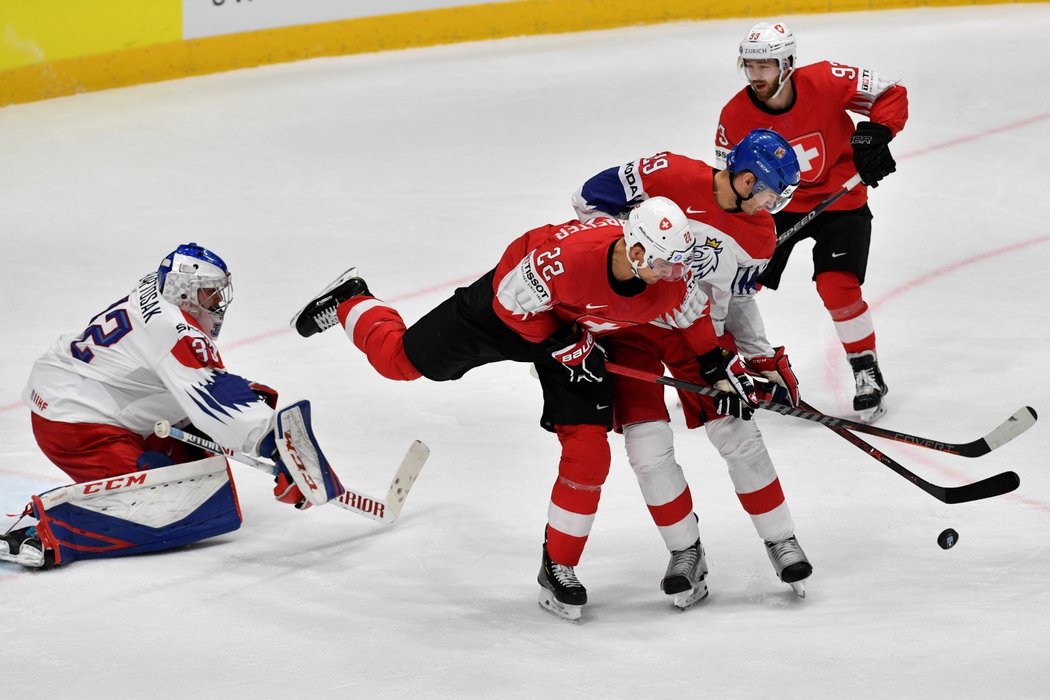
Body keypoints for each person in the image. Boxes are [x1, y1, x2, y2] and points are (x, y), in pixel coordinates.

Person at [290, 197, 757, 621]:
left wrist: (715, 371)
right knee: (401, 363)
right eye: (664, 264)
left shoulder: (665, 272)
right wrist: (558, 342)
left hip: (580, 333)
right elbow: (512, 305)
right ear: (636, 254)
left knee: (590, 452)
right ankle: (352, 299)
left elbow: (691, 315)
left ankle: (557, 567)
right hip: (508, 313)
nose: (674, 274)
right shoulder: (566, 260)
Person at [572, 128, 813, 602]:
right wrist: (628, 270)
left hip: (703, 336)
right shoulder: (669, 173)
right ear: (746, 180)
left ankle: (781, 539)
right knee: (647, 448)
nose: (773, 204)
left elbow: (738, 299)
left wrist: (760, 355)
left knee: (739, 436)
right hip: (633, 328)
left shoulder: (761, 235)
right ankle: (686, 551)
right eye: (768, 192)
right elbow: (587, 201)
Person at [2, 243, 341, 570]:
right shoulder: (174, 329)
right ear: (184, 292)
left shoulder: (158, 288)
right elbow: (213, 393)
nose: (218, 302)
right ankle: (45, 532)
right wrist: (277, 446)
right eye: (209, 293)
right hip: (73, 422)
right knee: (175, 509)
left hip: (95, 394)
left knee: (212, 464)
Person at [715, 20, 909, 421]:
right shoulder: (733, 115)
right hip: (772, 207)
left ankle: (866, 369)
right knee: (734, 283)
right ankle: (723, 370)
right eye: (749, 67)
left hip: (841, 198)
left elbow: (891, 92)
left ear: (787, 63)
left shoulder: (827, 79)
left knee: (837, 286)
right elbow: (726, 183)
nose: (756, 76)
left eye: (764, 66)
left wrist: (877, 132)